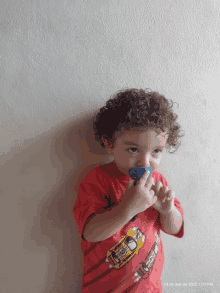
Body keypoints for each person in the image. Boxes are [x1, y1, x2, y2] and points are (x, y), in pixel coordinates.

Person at [73, 88, 184, 292]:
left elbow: (175, 228)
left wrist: (167, 210)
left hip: (149, 288)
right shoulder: (97, 179)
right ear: (109, 144)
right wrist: (128, 208)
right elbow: (90, 232)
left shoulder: (157, 181)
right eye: (133, 149)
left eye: (156, 151)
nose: (145, 162)